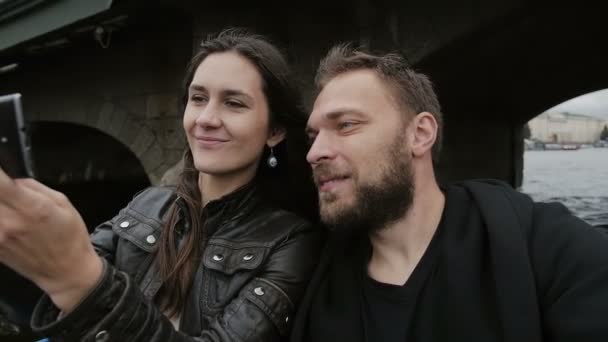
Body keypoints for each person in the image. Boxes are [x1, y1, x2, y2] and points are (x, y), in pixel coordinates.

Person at [0, 29, 323, 341]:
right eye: (198, 98)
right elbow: (51, 299)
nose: (205, 118)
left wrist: (79, 280)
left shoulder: (292, 242)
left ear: (274, 131)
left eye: (234, 103)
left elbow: (77, 279)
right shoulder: (146, 205)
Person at [290, 45, 608, 342]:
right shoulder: (309, 275)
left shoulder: (539, 244)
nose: (315, 153)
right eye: (313, 136)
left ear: (420, 134)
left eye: (345, 125)